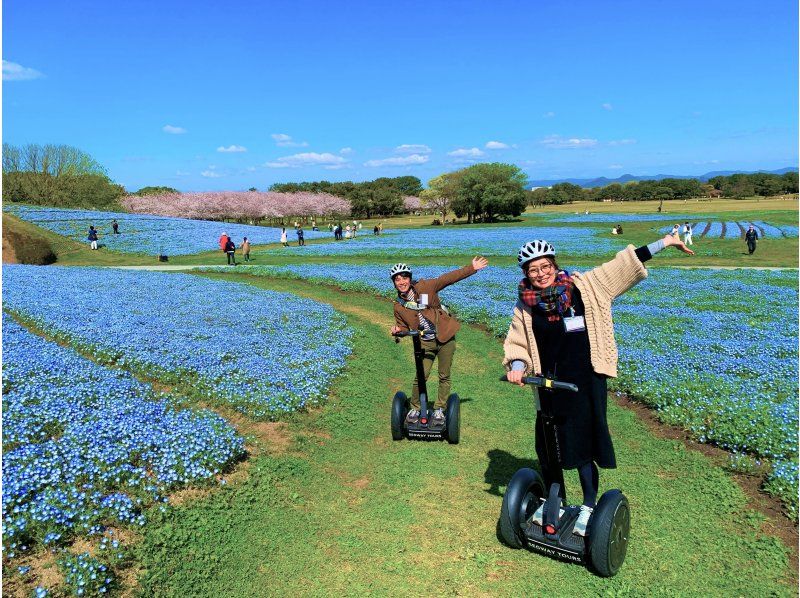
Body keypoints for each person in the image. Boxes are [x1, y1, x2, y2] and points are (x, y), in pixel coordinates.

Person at [503, 235, 694, 536]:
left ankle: (589, 505)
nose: (540, 274)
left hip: (585, 379)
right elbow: (517, 340)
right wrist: (516, 365)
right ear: (525, 273)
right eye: (532, 269)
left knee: (584, 442)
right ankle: (557, 501)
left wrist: (665, 243)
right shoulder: (524, 304)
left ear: (554, 265)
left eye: (545, 266)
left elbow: (624, 264)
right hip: (548, 383)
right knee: (548, 443)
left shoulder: (587, 286)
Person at [390, 257, 489, 425]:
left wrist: (471, 268)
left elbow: (448, 278)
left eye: (404, 277)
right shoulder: (399, 306)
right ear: (394, 283)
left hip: (445, 337)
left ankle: (439, 410)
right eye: (397, 279)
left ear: (409, 278)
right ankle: (414, 408)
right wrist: (399, 331)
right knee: (422, 375)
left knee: (444, 375)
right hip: (424, 342)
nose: (401, 282)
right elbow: (404, 327)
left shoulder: (426, 287)